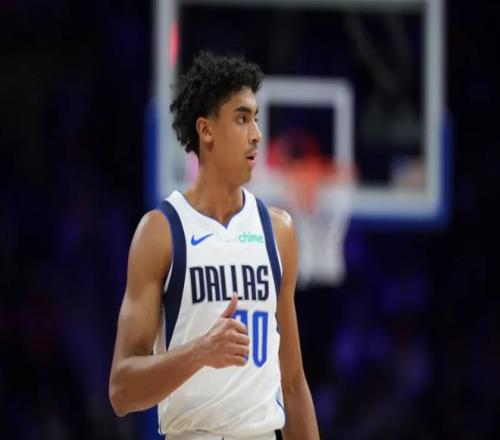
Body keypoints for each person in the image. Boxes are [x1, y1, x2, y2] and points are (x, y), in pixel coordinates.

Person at [109, 51, 319, 440]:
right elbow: (122, 390)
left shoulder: (278, 231)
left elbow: (292, 383)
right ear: (206, 130)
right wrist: (200, 352)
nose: (256, 134)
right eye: (242, 118)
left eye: (256, 118)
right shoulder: (160, 232)